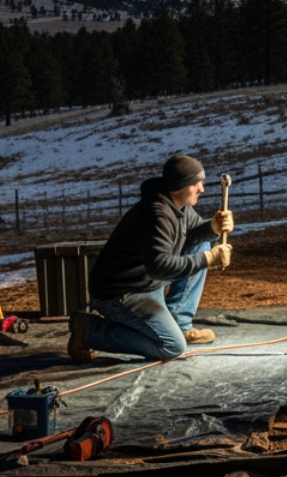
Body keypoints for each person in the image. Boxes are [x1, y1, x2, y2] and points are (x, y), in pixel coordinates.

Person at [68, 153, 234, 362]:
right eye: (197, 183)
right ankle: (90, 331)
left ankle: (180, 324)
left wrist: (212, 227)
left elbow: (193, 234)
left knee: (201, 244)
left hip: (147, 281)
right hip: (122, 293)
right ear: (181, 185)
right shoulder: (157, 215)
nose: (202, 189)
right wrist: (207, 260)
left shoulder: (179, 206)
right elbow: (159, 265)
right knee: (171, 346)